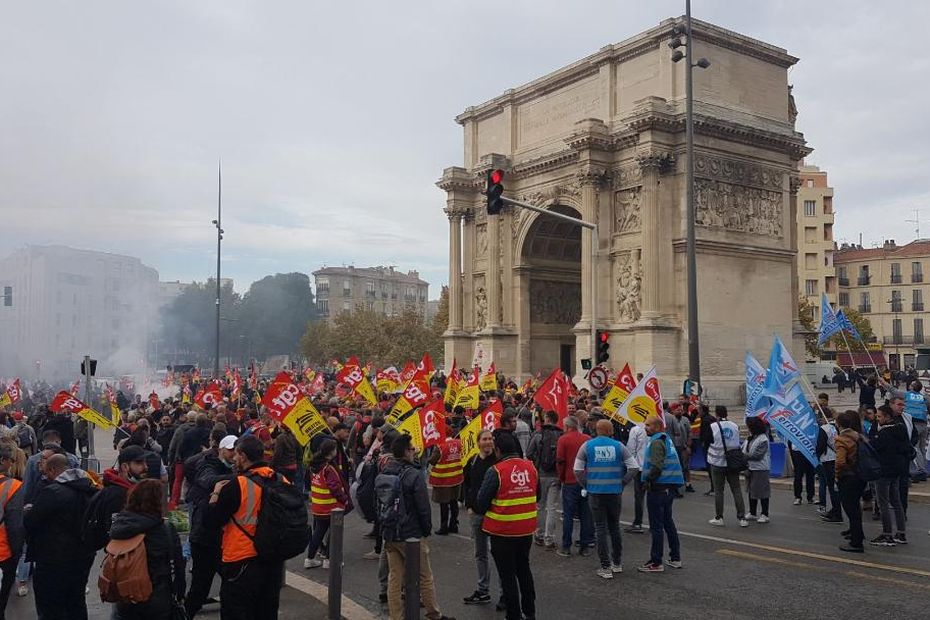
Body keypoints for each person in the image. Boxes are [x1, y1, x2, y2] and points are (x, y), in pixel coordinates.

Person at [204, 435, 285, 620]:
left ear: (242, 455)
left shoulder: (237, 485)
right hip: (272, 558)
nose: (234, 459)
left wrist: (215, 493)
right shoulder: (280, 480)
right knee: (266, 612)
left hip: (241, 560)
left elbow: (210, 521)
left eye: (237, 455)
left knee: (237, 612)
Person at [380, 433, 454, 620]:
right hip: (411, 533)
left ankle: (395, 616)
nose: (414, 451)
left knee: (395, 578)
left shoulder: (385, 470)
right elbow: (423, 507)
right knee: (424, 576)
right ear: (405, 452)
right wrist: (426, 529)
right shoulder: (413, 474)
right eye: (412, 449)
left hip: (390, 531)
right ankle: (433, 613)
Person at [23, 454, 97, 620]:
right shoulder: (89, 489)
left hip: (53, 559)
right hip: (82, 557)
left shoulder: (52, 492)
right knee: (76, 602)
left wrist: (28, 511)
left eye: (47, 471)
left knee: (51, 606)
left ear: (53, 470)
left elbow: (31, 521)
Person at [475, 432, 537, 620]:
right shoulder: (531, 468)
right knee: (524, 571)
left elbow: (481, 503)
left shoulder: (496, 470)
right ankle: (530, 612)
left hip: (502, 531)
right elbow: (537, 494)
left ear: (499, 450)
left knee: (508, 576)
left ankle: (514, 614)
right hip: (526, 529)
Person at [108, 479, 186, 619]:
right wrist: (179, 592)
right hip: (157, 597)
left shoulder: (120, 527)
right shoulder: (164, 530)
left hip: (125, 595)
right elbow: (177, 564)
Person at [573, 419, 639, 579]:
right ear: (610, 431)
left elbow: (577, 469)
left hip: (595, 492)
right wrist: (622, 482)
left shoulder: (587, 446)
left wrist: (587, 484)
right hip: (614, 492)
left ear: (596, 430)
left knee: (600, 528)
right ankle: (617, 563)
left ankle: (605, 566)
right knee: (614, 527)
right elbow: (634, 467)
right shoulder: (619, 446)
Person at [184, 433, 235, 618]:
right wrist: (236, 480)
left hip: (225, 539)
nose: (234, 454)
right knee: (200, 586)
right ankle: (186, 613)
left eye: (237, 451)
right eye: (230, 450)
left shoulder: (235, 467)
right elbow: (207, 479)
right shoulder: (208, 464)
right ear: (221, 450)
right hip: (205, 538)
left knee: (232, 585)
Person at [638, 414, 683, 572]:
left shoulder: (657, 442)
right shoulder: (666, 439)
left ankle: (656, 562)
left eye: (649, 425)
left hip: (658, 488)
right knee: (668, 522)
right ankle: (675, 557)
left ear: (657, 427)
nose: (646, 428)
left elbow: (656, 466)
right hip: (669, 487)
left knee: (656, 526)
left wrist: (647, 480)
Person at [461, 429, 500, 606]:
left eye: (490, 439)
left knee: (499, 554)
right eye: (484, 439)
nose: (488, 442)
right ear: (478, 442)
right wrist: (469, 505)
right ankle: (483, 590)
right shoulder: (473, 461)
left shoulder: (498, 463)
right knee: (480, 553)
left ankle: (504, 593)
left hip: (495, 514)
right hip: (477, 514)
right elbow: (468, 484)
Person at [83, 445, 147, 551]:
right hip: (123, 554)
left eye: (145, 462)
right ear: (125, 467)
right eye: (139, 463)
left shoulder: (132, 489)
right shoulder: (118, 494)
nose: (145, 467)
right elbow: (115, 532)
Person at [305, 438, 351, 568]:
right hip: (332, 506)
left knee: (318, 532)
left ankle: (309, 558)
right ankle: (330, 559)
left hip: (318, 505)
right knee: (334, 534)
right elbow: (335, 487)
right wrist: (344, 499)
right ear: (331, 452)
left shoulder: (314, 466)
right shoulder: (328, 468)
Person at [871, 405, 909, 546]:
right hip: (897, 469)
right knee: (896, 502)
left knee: (883, 503)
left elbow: (874, 448)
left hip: (884, 470)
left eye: (879, 416)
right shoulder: (901, 430)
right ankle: (901, 533)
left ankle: (887, 535)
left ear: (887, 417)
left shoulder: (884, 433)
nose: (877, 419)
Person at [555, 416, 594, 556]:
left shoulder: (563, 439)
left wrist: (561, 478)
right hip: (585, 480)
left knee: (568, 515)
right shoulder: (588, 439)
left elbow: (560, 461)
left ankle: (566, 546)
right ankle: (585, 546)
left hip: (570, 480)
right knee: (585, 514)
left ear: (567, 426)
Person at [526, 410, 562, 547]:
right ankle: (549, 538)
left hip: (540, 474)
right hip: (555, 475)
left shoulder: (538, 434)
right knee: (551, 508)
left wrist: (537, 461)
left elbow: (529, 453)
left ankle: (538, 534)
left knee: (539, 506)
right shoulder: (560, 434)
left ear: (546, 418)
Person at [880, 378, 928, 481]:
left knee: (913, 446)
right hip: (924, 423)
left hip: (914, 421)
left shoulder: (907, 395)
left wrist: (883, 382)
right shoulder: (923, 397)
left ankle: (919, 470)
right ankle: (923, 469)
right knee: (922, 448)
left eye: (911, 384)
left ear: (912, 387)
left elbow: (893, 390)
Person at [706, 408, 747, 527]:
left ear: (717, 415)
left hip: (717, 462)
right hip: (732, 463)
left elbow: (707, 440)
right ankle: (742, 518)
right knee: (736, 490)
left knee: (719, 491)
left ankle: (719, 517)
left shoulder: (713, 426)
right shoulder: (734, 426)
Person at [0, 444, 24, 620]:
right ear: (2, 460)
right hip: (3, 553)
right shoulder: (13, 486)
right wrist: (17, 555)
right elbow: (15, 526)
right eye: (10, 460)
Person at [835, 411, 865, 552]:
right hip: (860, 475)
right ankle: (857, 534)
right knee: (856, 509)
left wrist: (837, 475)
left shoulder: (842, 439)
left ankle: (856, 542)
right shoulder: (858, 436)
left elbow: (840, 462)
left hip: (848, 477)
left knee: (851, 510)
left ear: (839, 424)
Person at [429, 435, 463, 535]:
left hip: (443, 479)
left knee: (444, 504)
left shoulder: (440, 446)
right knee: (454, 502)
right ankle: (453, 524)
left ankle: (444, 527)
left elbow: (432, 460)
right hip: (456, 477)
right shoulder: (459, 443)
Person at [742, 416, 771, 523]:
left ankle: (765, 513)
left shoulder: (763, 439)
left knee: (762, 491)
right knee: (751, 490)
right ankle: (752, 512)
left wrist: (743, 456)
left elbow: (757, 455)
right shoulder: (751, 437)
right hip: (750, 467)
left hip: (760, 468)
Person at [817, 408, 842, 523]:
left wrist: (816, 456)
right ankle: (835, 510)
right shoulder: (837, 426)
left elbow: (821, 445)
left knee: (832, 488)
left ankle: (837, 513)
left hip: (828, 459)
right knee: (834, 487)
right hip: (838, 457)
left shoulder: (824, 428)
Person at [624, 421, 648, 534]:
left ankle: (638, 522)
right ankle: (655, 523)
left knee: (639, 496)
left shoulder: (636, 429)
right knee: (653, 496)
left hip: (640, 467)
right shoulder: (660, 430)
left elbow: (630, 449)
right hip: (652, 466)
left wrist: (630, 466)